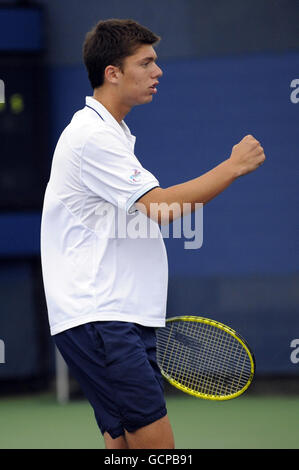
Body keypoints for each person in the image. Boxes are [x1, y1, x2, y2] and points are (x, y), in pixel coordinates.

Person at [40, 19, 265, 450]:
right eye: (146, 62)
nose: (157, 71)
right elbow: (160, 207)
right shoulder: (93, 137)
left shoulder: (113, 135)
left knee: (124, 446)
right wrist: (232, 166)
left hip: (109, 316)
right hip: (102, 315)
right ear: (113, 72)